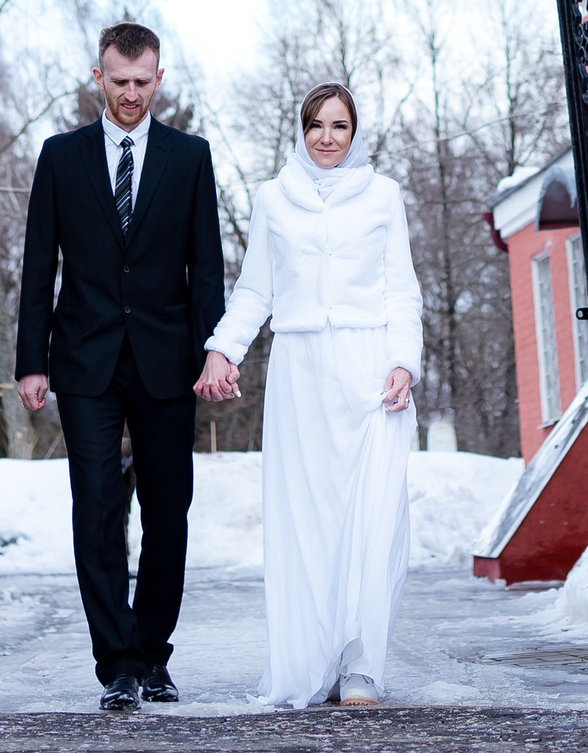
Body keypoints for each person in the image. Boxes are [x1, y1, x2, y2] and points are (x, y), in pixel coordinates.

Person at [16, 22, 225, 713]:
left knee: (168, 513)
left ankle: (154, 656)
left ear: (158, 80)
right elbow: (40, 263)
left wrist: (212, 354)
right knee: (98, 510)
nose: (131, 93)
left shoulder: (190, 158)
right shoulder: (60, 156)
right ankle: (117, 663)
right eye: (119, 81)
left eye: (143, 82)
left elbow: (206, 271)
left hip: (170, 361)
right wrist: (31, 361)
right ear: (98, 78)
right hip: (84, 360)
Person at [198, 82, 422, 708]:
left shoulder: (384, 196)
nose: (328, 137)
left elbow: (402, 288)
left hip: (371, 373)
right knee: (310, 526)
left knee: (372, 523)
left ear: (355, 133)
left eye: (340, 126)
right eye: (317, 125)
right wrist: (223, 349)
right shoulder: (274, 198)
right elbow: (254, 290)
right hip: (301, 378)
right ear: (301, 131)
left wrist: (404, 360)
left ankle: (362, 667)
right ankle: (313, 662)